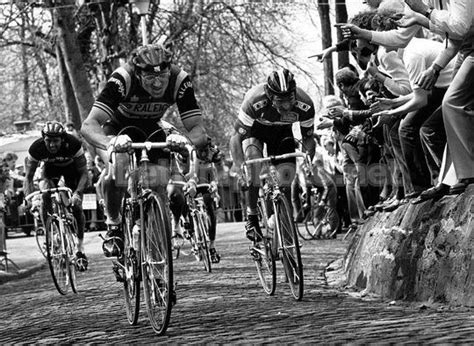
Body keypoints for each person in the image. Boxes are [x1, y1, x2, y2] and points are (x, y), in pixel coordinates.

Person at [81, 43, 208, 265]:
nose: (158, 83)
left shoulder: (180, 80)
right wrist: (108, 142)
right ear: (138, 74)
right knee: (118, 167)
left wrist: (183, 140)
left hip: (152, 128)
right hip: (117, 128)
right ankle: (114, 225)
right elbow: (89, 125)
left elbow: (198, 129)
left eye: (163, 76)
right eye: (150, 78)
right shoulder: (123, 79)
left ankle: (158, 265)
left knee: (159, 187)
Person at [229, 68, 315, 241]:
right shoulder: (254, 101)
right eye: (279, 100)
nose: (285, 106)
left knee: (286, 182)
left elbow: (308, 139)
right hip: (255, 133)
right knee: (253, 166)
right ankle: (252, 215)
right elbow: (236, 138)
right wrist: (239, 166)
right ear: (269, 95)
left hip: (282, 134)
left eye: (289, 99)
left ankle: (287, 235)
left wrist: (307, 160)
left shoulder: (305, 104)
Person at [23, 121, 89, 271]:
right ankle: (51, 234)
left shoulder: (73, 144)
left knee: (77, 206)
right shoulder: (36, 148)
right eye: (48, 141)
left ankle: (80, 247)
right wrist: (29, 198)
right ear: (43, 139)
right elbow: (28, 177)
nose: (52, 145)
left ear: (63, 139)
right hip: (50, 171)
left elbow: (85, 173)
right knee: (45, 193)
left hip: (72, 171)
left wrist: (78, 193)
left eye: (55, 141)